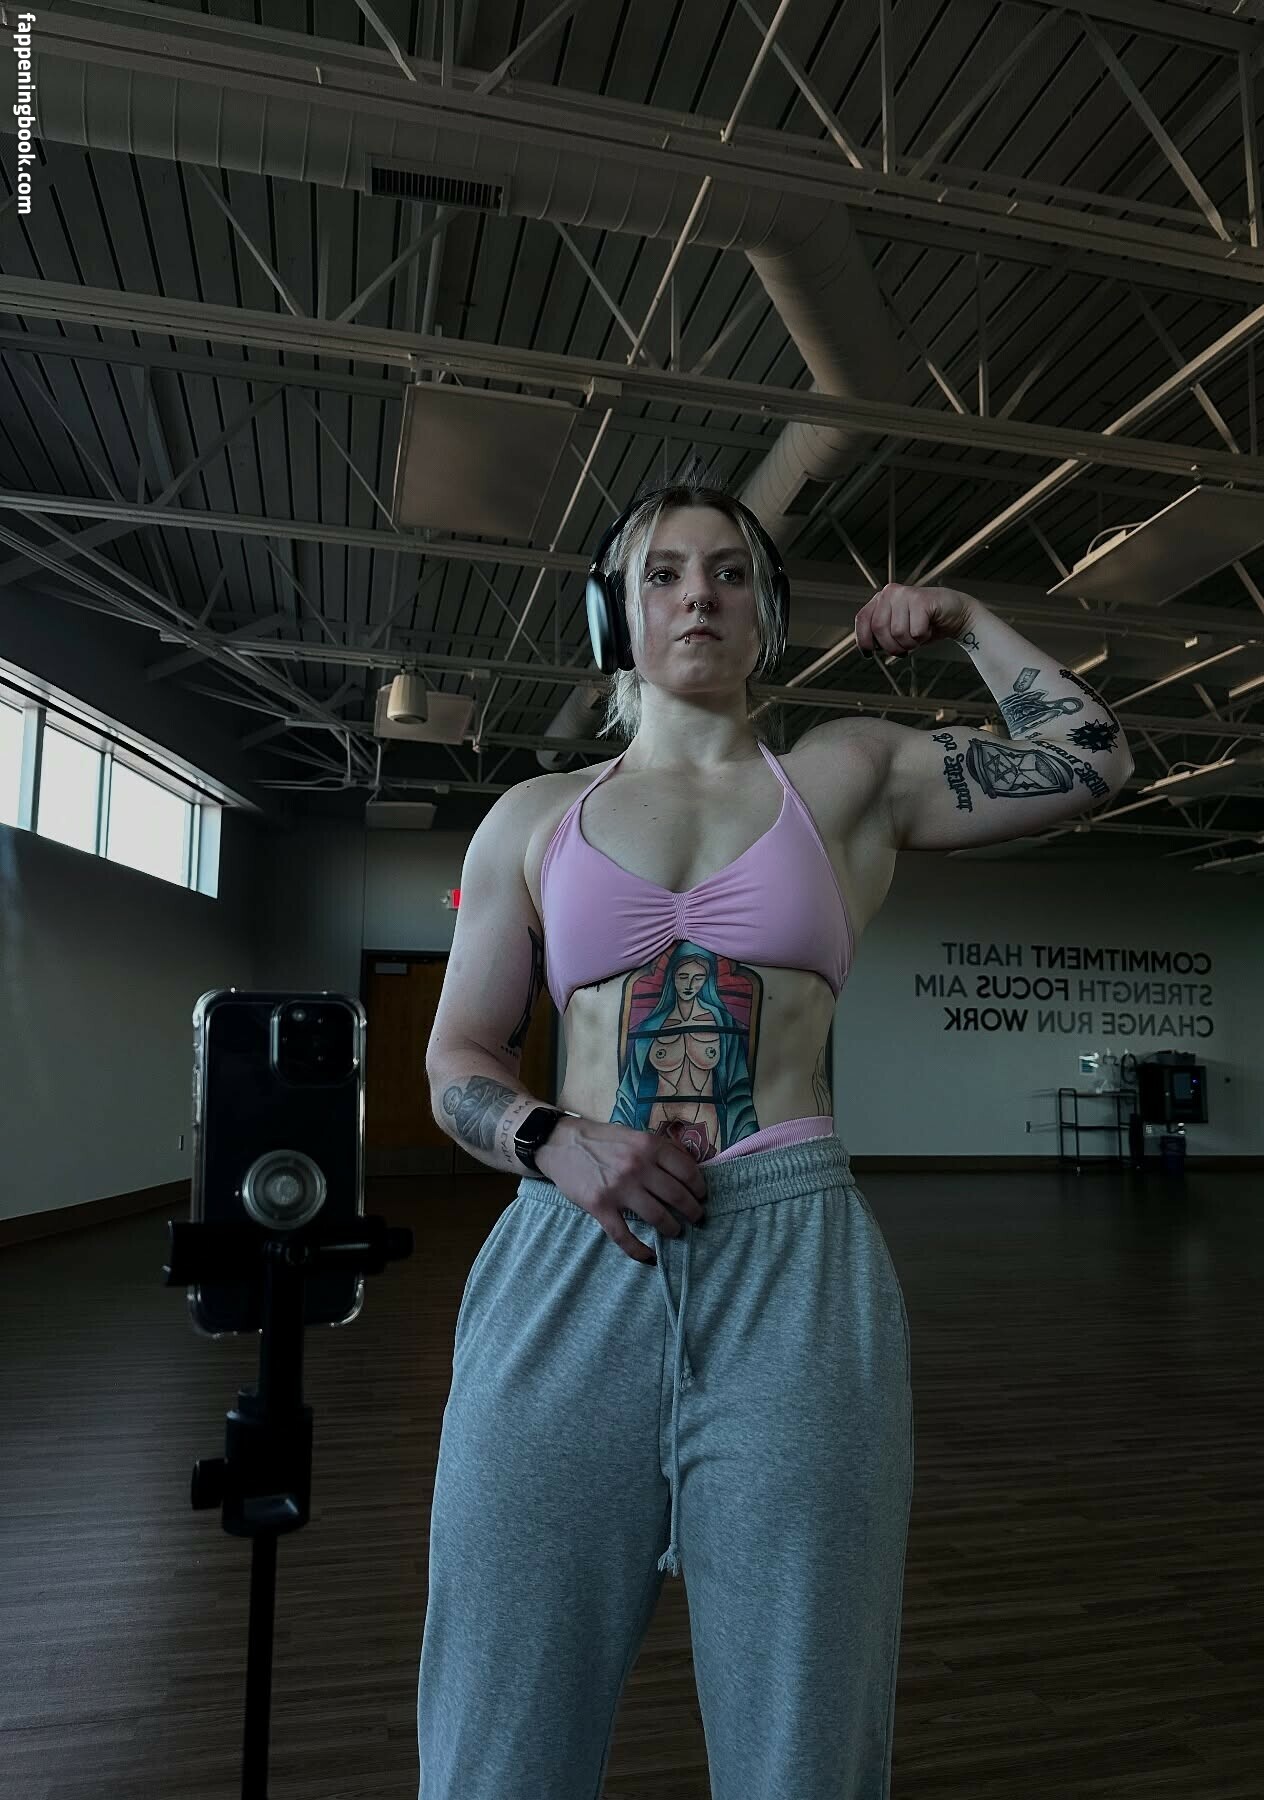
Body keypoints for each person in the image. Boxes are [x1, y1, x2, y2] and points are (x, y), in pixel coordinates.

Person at [417, 475, 913, 1799]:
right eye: (664, 573)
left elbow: (1096, 757)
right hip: (567, 1256)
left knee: (803, 1740)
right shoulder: (534, 816)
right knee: (495, 1731)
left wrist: (968, 623)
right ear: (614, 617)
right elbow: (456, 1058)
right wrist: (551, 1136)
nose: (700, 594)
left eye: (731, 571)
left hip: (790, 1260)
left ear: (769, 615)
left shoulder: (839, 783)